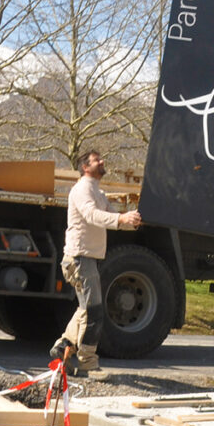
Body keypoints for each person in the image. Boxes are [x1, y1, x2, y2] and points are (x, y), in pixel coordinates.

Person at [50, 150, 141, 376]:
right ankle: (88, 362)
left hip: (86, 258)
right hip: (79, 258)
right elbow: (92, 216)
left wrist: (133, 221)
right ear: (85, 167)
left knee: (86, 309)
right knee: (94, 311)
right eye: (96, 160)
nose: (102, 161)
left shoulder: (97, 192)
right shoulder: (82, 190)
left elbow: (111, 218)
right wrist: (121, 218)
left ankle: (63, 346)